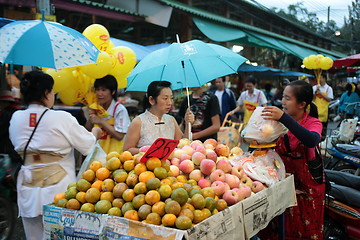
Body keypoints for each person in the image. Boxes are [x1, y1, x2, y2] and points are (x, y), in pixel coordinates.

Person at [9, 71, 102, 240]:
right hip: (58, 188)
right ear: (46, 93)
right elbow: (87, 145)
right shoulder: (61, 118)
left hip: (28, 185)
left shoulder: (16, 118)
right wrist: (95, 131)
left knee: (34, 236)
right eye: (51, 91)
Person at [260, 80, 325, 239]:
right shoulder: (277, 124)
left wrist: (283, 117)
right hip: (282, 186)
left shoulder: (313, 123)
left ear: (302, 104)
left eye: (287, 98)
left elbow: (311, 140)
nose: (282, 102)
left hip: (306, 192)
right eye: (283, 97)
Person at [124, 81, 193, 155]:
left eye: (171, 98)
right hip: (145, 165)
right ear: (152, 100)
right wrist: (152, 151)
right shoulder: (139, 122)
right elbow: (127, 150)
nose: (170, 103)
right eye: (165, 98)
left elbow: (182, 145)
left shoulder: (171, 120)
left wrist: (188, 124)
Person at [85, 75, 130, 154]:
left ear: (113, 92)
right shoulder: (96, 107)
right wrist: (91, 116)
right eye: (97, 90)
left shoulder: (119, 110)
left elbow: (120, 136)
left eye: (103, 90)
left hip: (115, 155)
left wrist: (100, 121)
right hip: (97, 154)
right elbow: (87, 131)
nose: (99, 93)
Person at [313, 74, 333, 140]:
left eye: (321, 78)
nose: (319, 80)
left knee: (323, 128)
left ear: (325, 79)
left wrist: (321, 93)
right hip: (315, 111)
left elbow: (329, 99)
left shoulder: (329, 89)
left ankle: (322, 141)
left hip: (324, 112)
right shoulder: (314, 87)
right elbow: (312, 98)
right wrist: (315, 93)